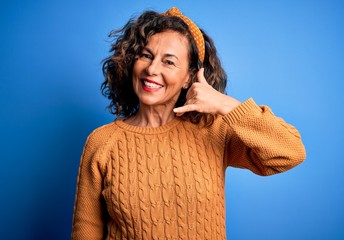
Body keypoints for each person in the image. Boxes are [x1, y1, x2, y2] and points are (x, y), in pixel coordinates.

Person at [71, 7, 306, 239]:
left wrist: (226, 105)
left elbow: (290, 151)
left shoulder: (213, 130)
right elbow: (86, 230)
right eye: (146, 55)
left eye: (169, 62)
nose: (152, 69)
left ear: (189, 77)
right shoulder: (102, 142)